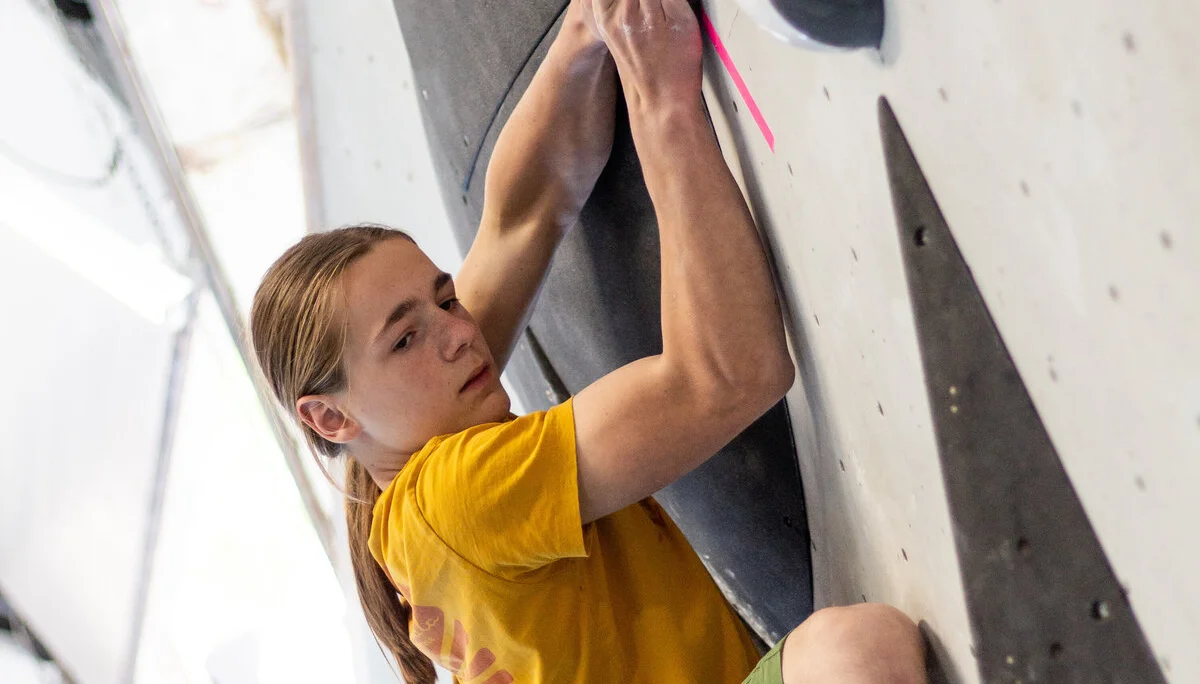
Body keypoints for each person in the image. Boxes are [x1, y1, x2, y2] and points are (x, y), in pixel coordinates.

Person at [250, 0, 928, 681]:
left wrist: (588, 26)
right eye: (404, 339)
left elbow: (525, 213)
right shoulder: (455, 498)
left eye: (445, 297)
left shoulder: (404, 471)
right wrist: (662, 101)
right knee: (857, 656)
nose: (458, 333)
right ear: (330, 416)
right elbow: (727, 377)